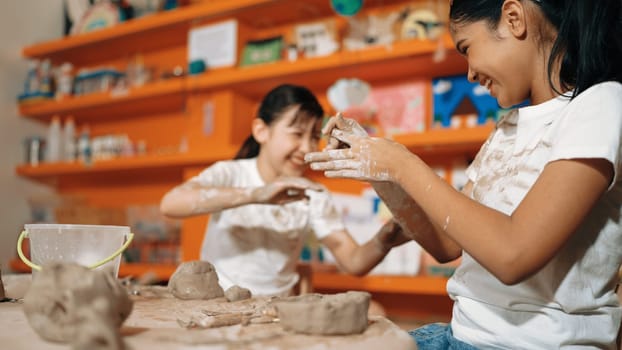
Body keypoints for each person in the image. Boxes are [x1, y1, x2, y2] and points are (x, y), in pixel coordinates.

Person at [305, 0, 622, 348]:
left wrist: (400, 163)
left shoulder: (601, 104)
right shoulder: (507, 128)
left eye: (467, 48)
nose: (469, 73)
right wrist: (380, 172)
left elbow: (513, 255)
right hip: (460, 334)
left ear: (514, 19)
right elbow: (447, 245)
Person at [160, 84, 409, 297]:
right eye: (297, 134)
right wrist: (256, 195)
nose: (306, 147)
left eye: (313, 137)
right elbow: (170, 204)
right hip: (219, 304)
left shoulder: (313, 193)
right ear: (261, 131)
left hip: (276, 313)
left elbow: (353, 262)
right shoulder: (231, 173)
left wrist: (384, 239)